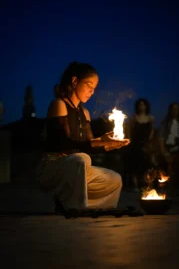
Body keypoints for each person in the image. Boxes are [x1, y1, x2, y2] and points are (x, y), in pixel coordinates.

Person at [36, 61, 130, 214]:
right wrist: (98, 142)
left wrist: (107, 145)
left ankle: (95, 208)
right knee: (82, 159)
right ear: (74, 81)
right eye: (89, 85)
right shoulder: (59, 104)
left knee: (114, 179)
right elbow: (63, 142)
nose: (92, 92)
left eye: (94, 88)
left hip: (77, 168)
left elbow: (88, 145)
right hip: (53, 167)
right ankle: (76, 207)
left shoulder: (85, 113)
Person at [159, 102, 179, 195]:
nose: (175, 111)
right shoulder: (165, 123)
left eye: (177, 109)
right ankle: (170, 191)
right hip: (169, 149)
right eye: (173, 108)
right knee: (170, 171)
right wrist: (164, 152)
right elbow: (160, 138)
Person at [123, 98, 154, 190]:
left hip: (146, 144)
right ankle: (135, 186)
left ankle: (144, 185)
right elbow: (128, 129)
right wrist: (130, 140)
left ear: (146, 106)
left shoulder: (150, 118)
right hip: (135, 144)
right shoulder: (134, 118)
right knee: (134, 164)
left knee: (145, 165)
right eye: (140, 105)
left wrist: (149, 141)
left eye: (143, 104)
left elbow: (152, 130)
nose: (141, 106)